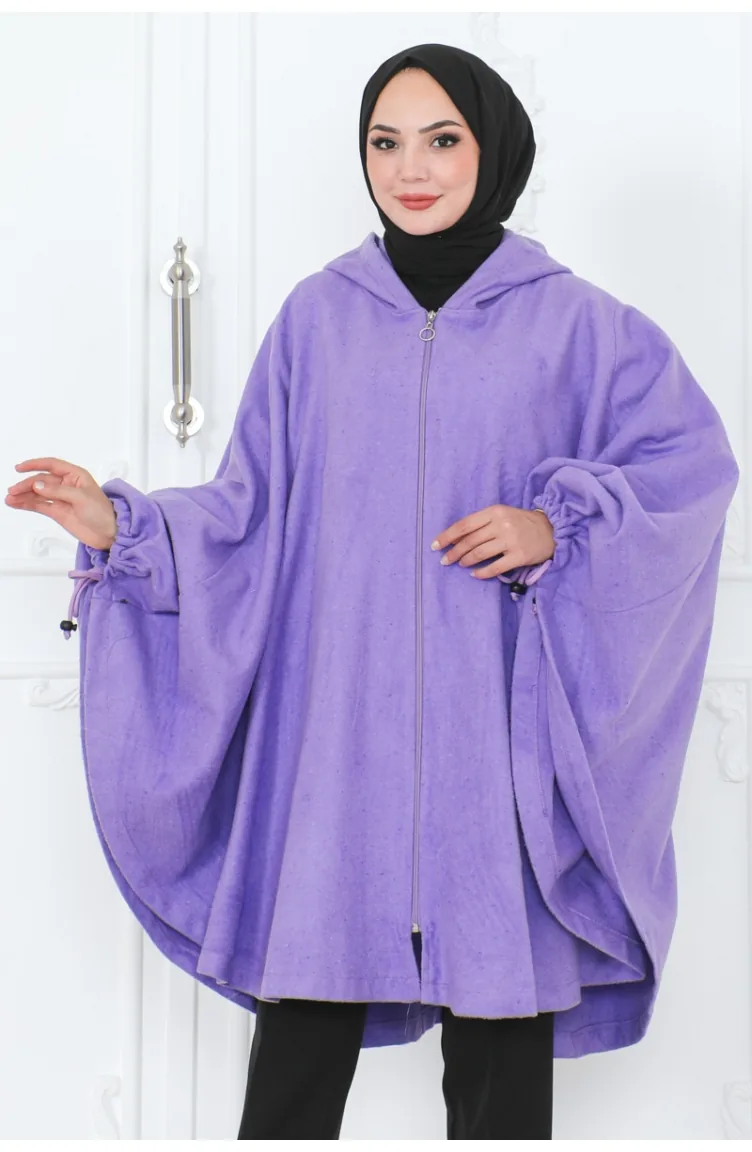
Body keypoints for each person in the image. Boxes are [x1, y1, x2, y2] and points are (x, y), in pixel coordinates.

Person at [5, 42, 740, 1142]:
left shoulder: (579, 328)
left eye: (442, 139)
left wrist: (557, 528)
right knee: (296, 1064)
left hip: (497, 758)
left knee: (497, 1070)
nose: (410, 168)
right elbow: (249, 511)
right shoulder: (317, 322)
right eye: (384, 142)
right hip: (337, 755)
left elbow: (688, 474)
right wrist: (125, 527)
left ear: (494, 150)